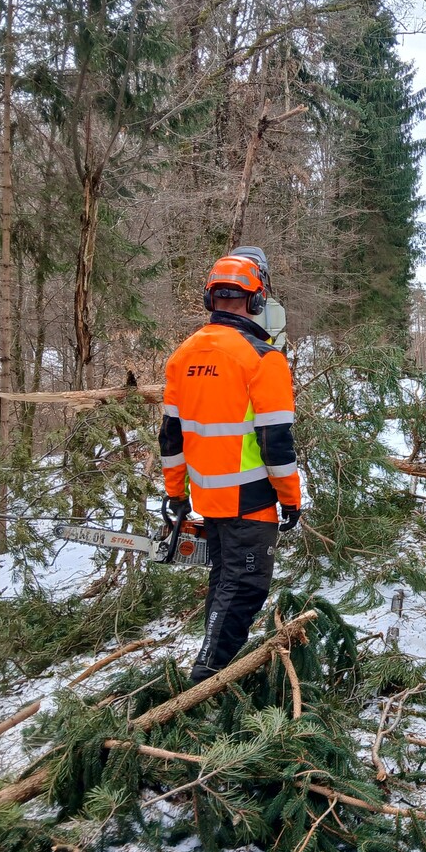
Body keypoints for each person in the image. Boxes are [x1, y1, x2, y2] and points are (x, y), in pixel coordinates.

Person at [159, 250, 303, 683]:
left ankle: (213, 667)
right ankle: (207, 679)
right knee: (245, 588)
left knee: (226, 582)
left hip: (208, 497)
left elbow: (170, 436)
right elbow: (276, 442)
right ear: (257, 301)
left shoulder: (182, 356)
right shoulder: (262, 358)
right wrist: (291, 499)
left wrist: (175, 491)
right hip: (250, 500)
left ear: (210, 298)